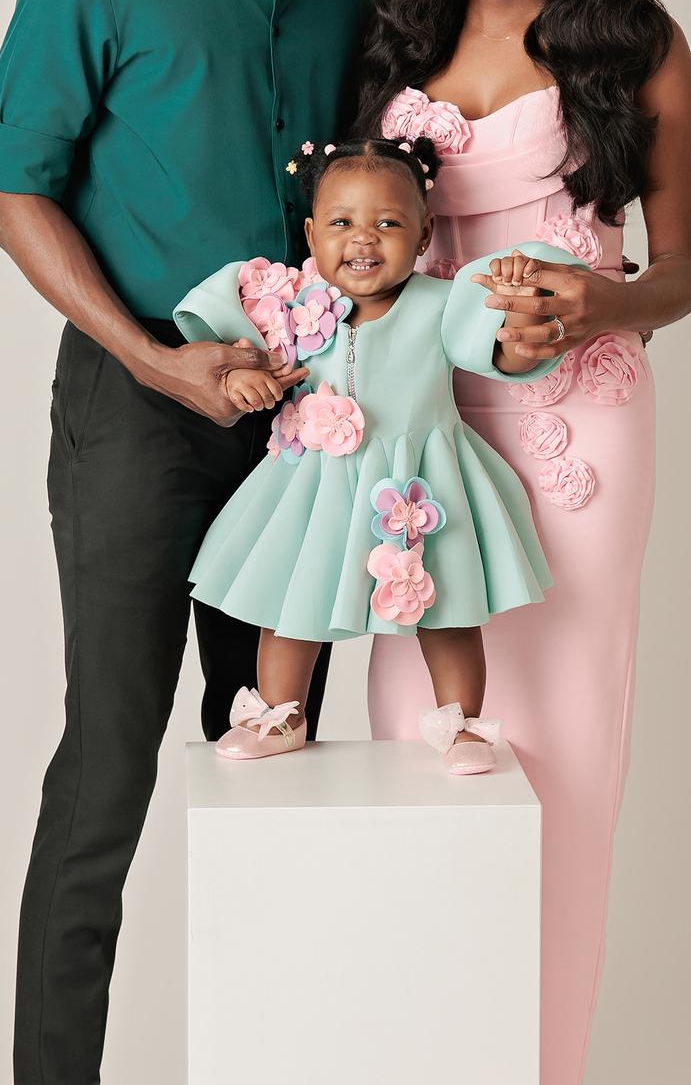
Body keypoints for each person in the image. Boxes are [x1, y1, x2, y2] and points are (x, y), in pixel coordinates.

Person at [0, 0, 377, 1085]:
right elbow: (8, 186)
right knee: (109, 772)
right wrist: (152, 361)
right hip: (140, 413)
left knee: (277, 770)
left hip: (301, 426)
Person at [355, 0, 691, 1085]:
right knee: (418, 747)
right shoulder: (390, 39)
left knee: (561, 763)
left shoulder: (634, 43)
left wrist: (598, 300)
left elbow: (683, 268)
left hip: (577, 430)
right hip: (421, 432)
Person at [171, 137, 580, 769]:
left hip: (421, 488)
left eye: (388, 223)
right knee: (291, 601)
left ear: (424, 235)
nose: (363, 238)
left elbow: (502, 352)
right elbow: (239, 356)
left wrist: (521, 323)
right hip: (315, 483)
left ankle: (464, 725)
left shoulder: (442, 304)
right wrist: (243, 376)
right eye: (341, 223)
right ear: (311, 234)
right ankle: (282, 715)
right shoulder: (294, 306)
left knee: (447, 610)